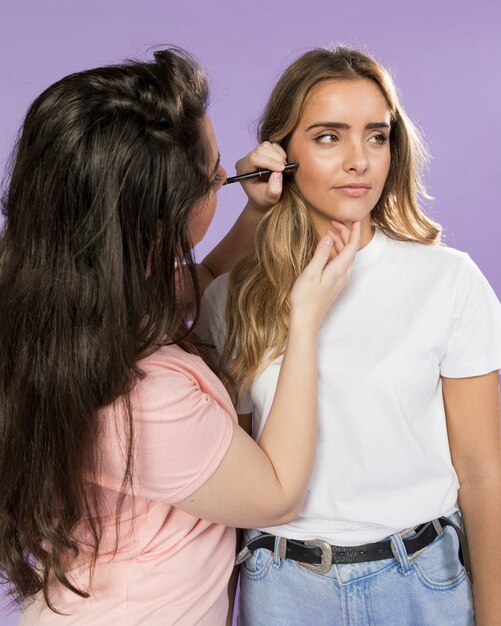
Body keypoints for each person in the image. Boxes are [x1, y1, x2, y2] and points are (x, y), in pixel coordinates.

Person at [0, 48, 359, 625]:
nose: (226, 174)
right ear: (157, 220)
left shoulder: (66, 308)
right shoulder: (143, 398)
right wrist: (306, 318)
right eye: (213, 175)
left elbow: (203, 280)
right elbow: (277, 490)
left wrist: (251, 213)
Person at [200, 46, 501, 625]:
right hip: (281, 588)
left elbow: (482, 471)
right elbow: (233, 493)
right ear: (280, 154)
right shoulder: (230, 297)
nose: (359, 160)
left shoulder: (447, 281)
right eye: (329, 136)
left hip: (422, 583)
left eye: (376, 135)